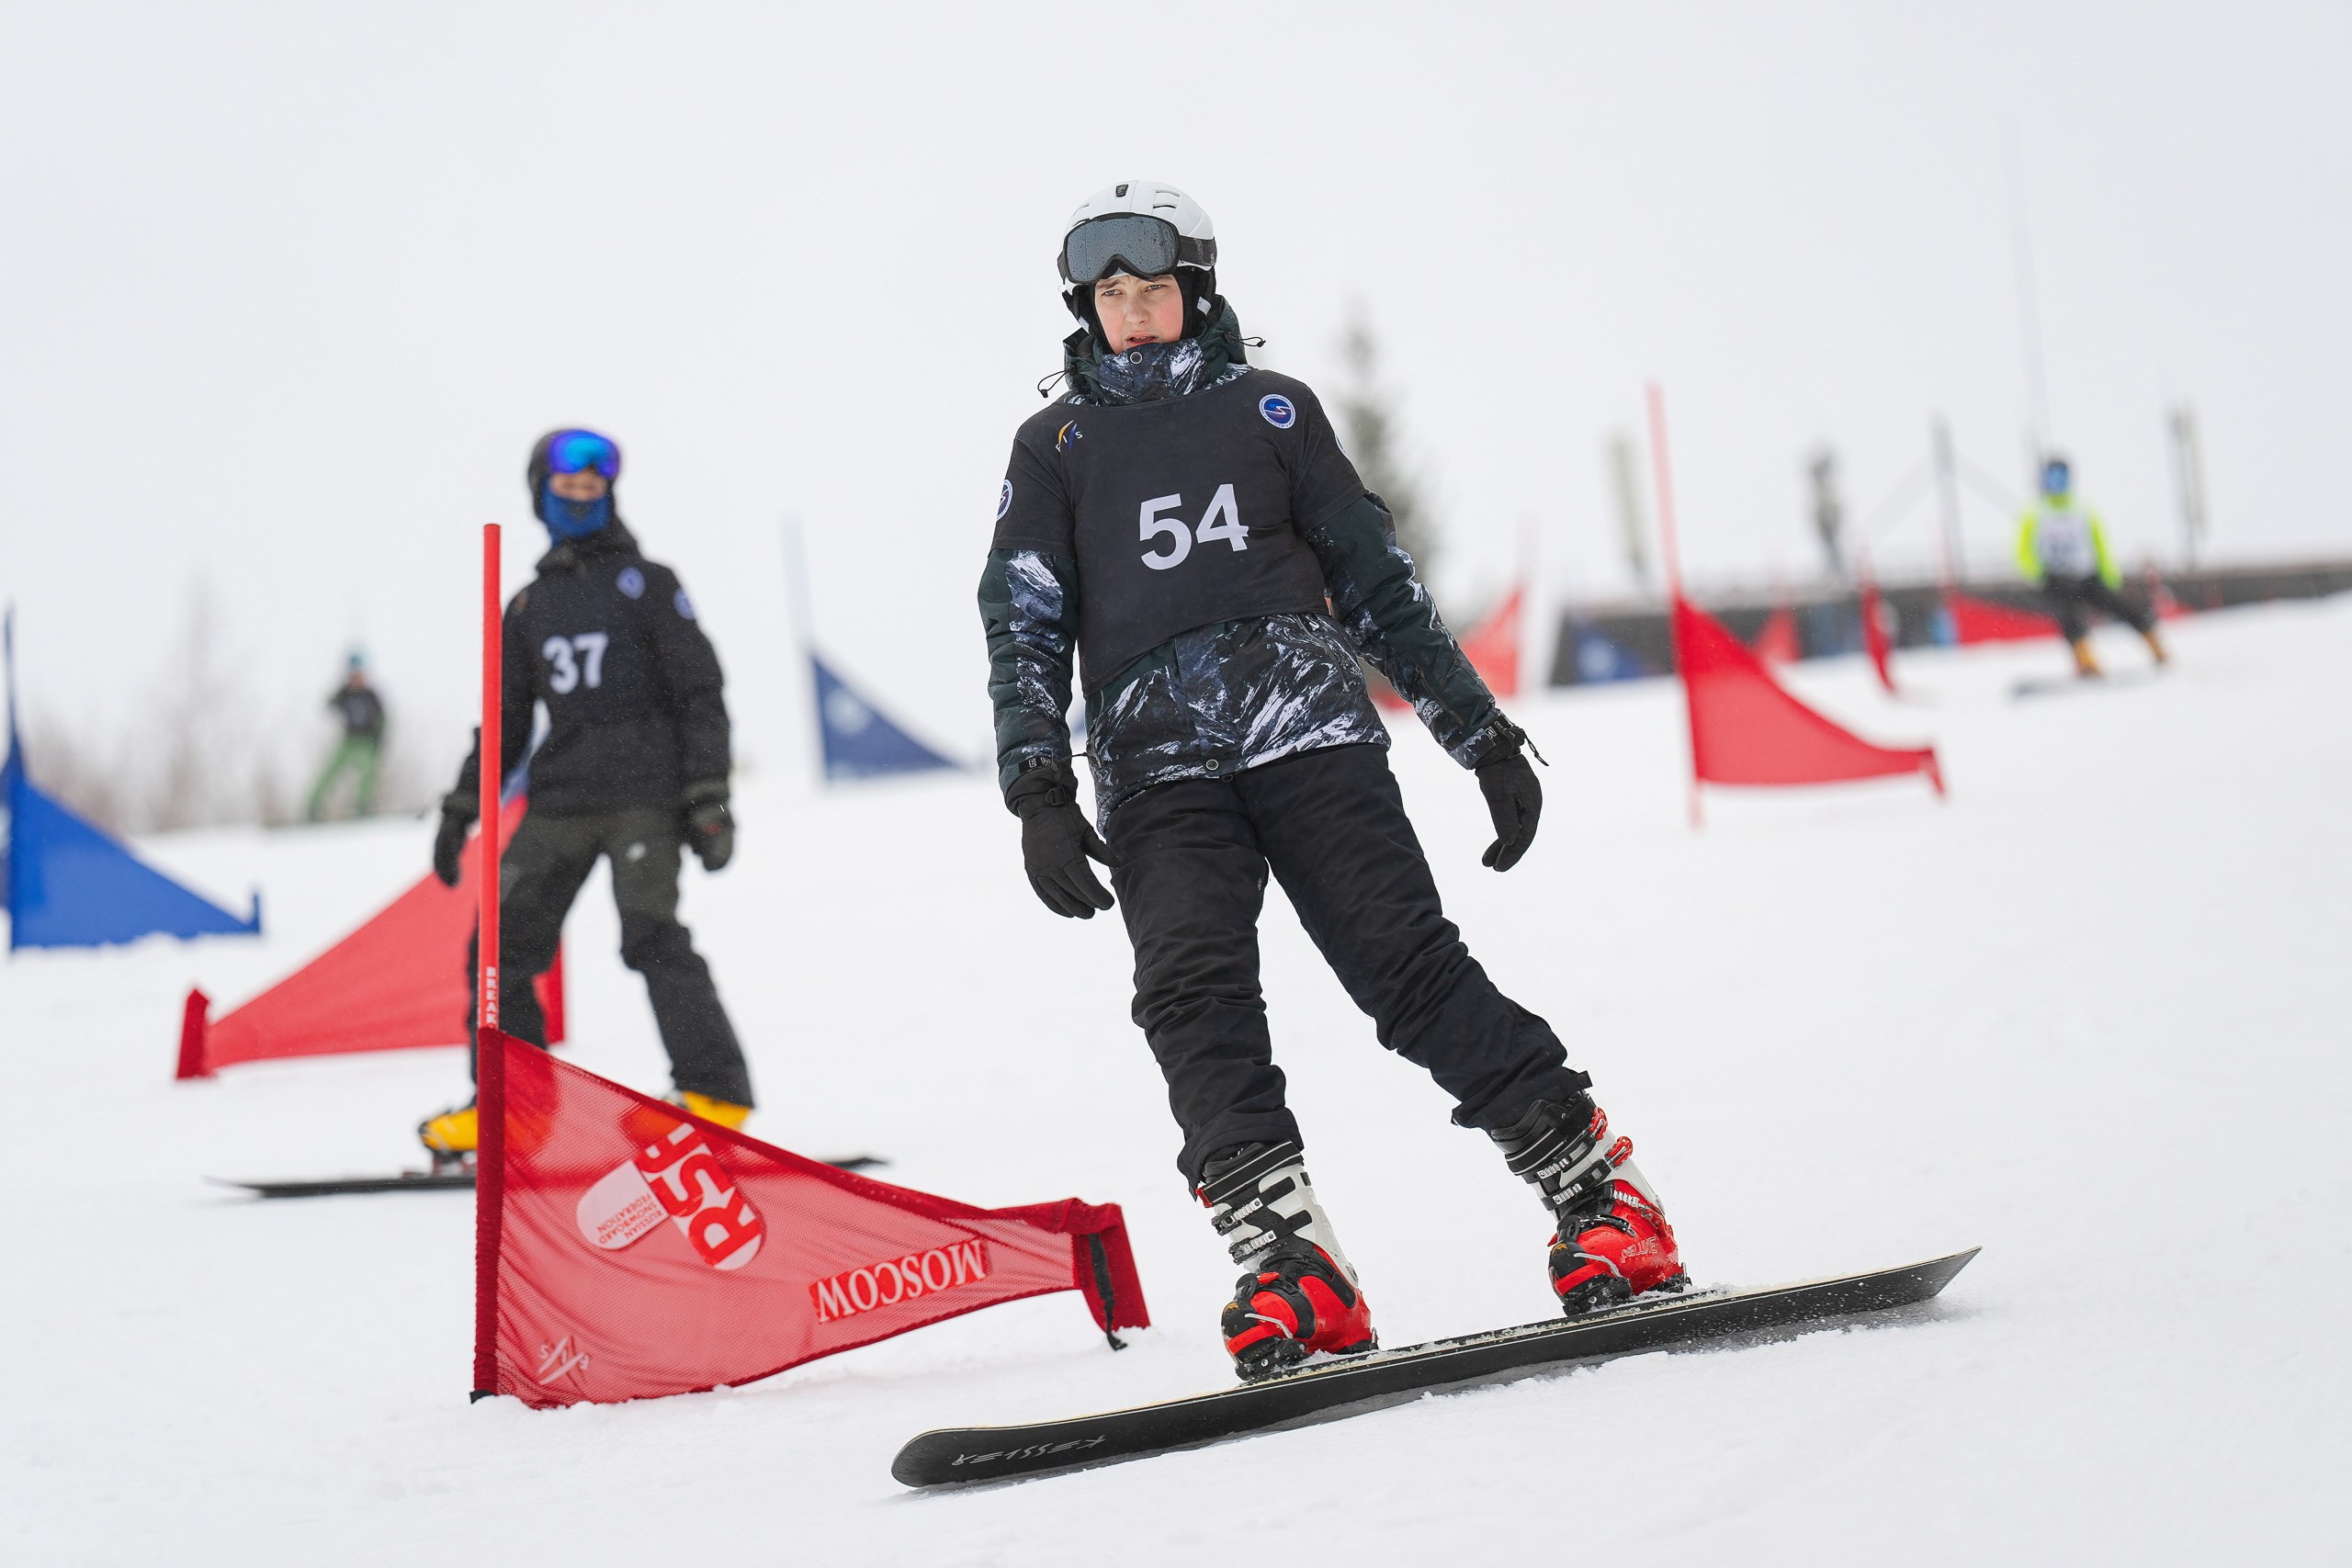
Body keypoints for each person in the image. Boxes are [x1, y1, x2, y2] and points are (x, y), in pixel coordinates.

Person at [979, 183, 1684, 1381]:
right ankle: (1292, 1266)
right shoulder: (1056, 448)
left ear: (1193, 291)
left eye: (1152, 290)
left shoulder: (1272, 410)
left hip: (1310, 737)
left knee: (1408, 975)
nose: (1133, 315)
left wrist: (1482, 735)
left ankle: (1606, 1198)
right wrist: (1038, 785)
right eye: (1110, 297)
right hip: (1158, 773)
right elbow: (1026, 618)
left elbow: (1376, 586)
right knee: (1190, 998)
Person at [418, 427, 752, 1164]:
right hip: (562, 800)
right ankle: (518, 1110)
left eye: (592, 487)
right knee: (498, 947)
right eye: (565, 487)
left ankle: (713, 1096)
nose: (579, 497)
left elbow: (701, 694)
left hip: (646, 795)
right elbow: (504, 722)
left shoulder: (650, 584)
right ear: (540, 496)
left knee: (650, 935)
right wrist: (460, 806)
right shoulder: (530, 605)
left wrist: (709, 796)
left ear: (610, 495)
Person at [2017, 455, 2169, 678]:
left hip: (2088, 575)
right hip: (2056, 578)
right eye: (2052, 478)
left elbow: (2100, 543)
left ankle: (2157, 648)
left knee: (2125, 608)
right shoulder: (2034, 513)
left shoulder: (2083, 509)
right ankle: (2085, 661)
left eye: (2061, 477)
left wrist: (2109, 573)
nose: (2056, 483)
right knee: (2068, 617)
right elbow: (2022, 549)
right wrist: (2037, 572)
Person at [306, 652, 384, 820]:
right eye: (353, 675)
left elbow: (382, 719)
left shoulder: (371, 695)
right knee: (331, 769)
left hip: (366, 741)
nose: (356, 679)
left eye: (359, 675)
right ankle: (313, 805)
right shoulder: (345, 693)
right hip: (349, 740)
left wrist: (378, 741)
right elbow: (329, 704)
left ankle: (363, 806)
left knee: (367, 771)